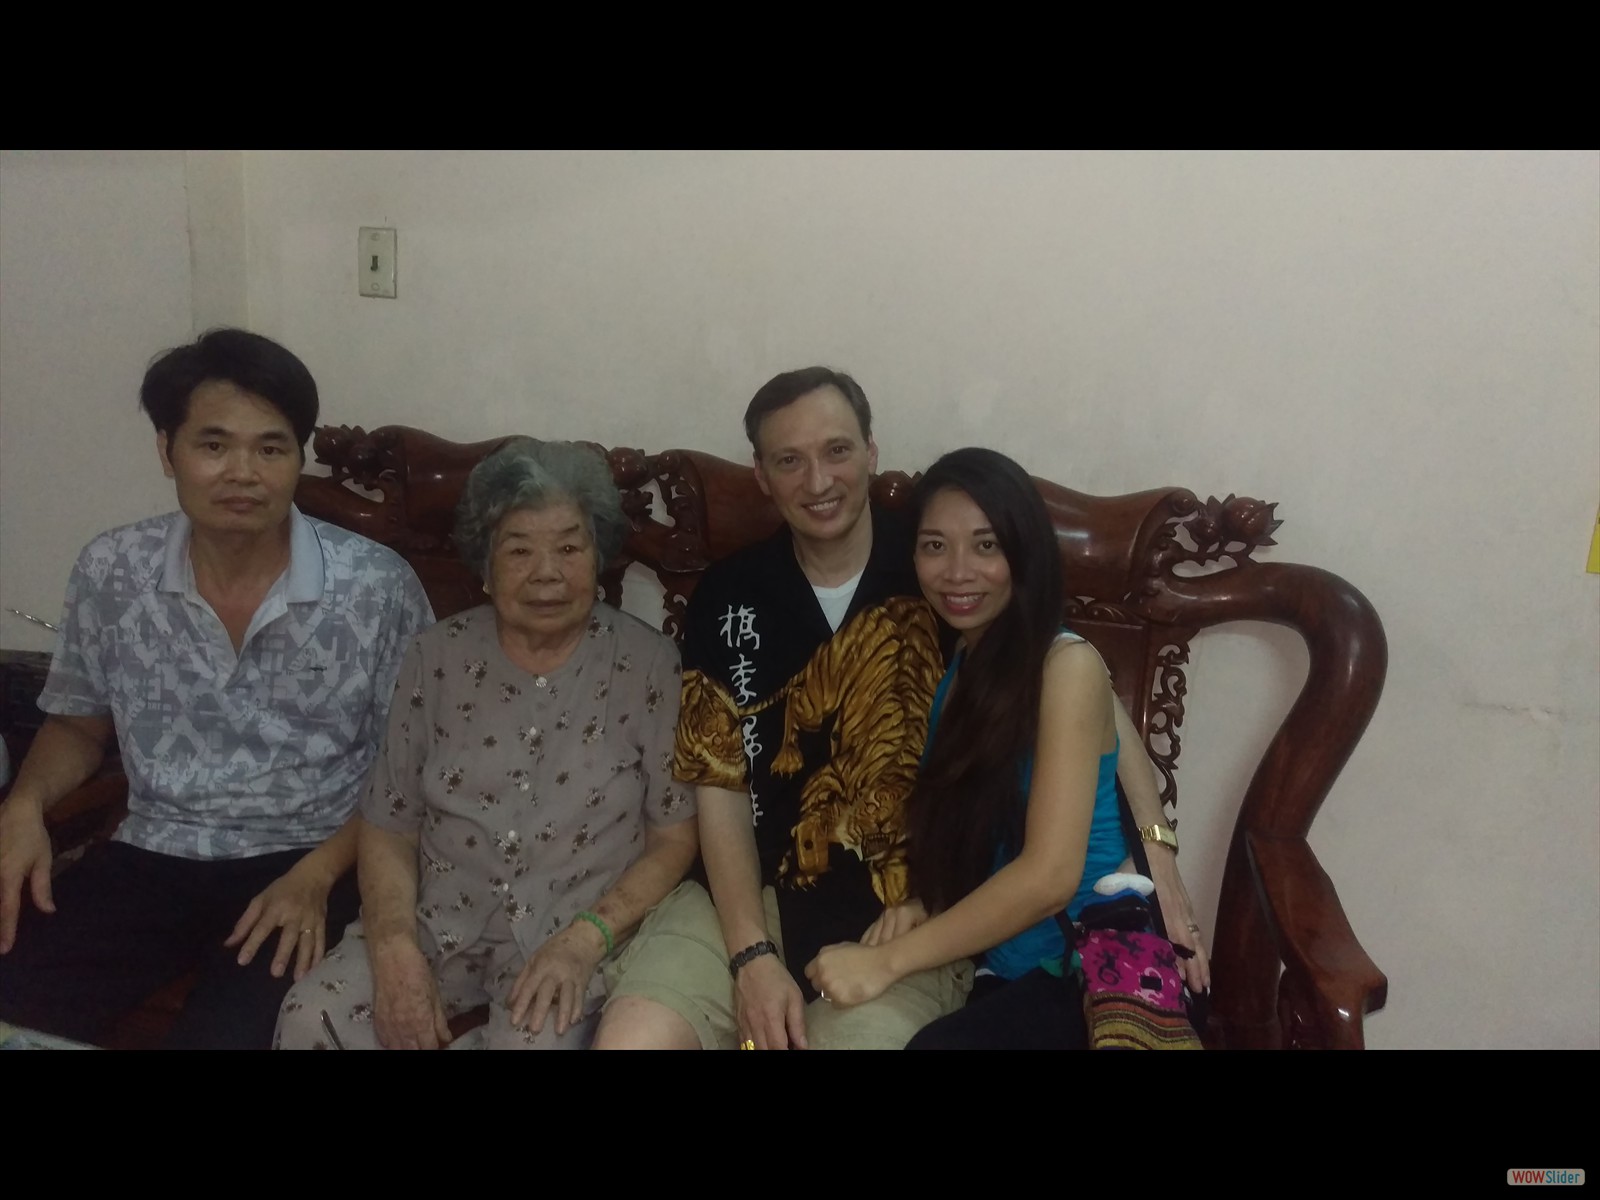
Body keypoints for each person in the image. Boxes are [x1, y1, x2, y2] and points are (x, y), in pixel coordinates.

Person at [0, 328, 433, 1049]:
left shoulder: (375, 586)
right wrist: (23, 806)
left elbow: (409, 773)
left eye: (271, 449)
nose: (244, 473)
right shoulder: (113, 569)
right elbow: (78, 723)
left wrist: (319, 876)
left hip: (309, 856)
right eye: (214, 445)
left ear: (298, 458)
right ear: (166, 450)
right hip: (153, 850)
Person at [275, 439, 697, 1050]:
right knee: (311, 1016)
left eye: (570, 548)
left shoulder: (649, 664)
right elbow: (390, 825)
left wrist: (586, 941)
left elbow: (674, 838)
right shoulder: (435, 656)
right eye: (519, 549)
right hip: (433, 922)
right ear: (484, 565)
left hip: (572, 935)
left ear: (599, 554)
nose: (547, 572)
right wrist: (393, 948)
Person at [806, 447, 1209, 1048]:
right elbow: (981, 829)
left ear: (1025, 552)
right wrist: (928, 903)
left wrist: (885, 963)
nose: (957, 571)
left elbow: (1050, 877)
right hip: (1009, 968)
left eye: (986, 545)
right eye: (935, 545)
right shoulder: (965, 666)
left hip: (1090, 970)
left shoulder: (1064, 666)